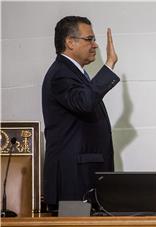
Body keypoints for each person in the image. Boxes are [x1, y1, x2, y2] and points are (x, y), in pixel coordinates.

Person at [42, 16, 120, 212]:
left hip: (85, 180)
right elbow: (85, 102)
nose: (95, 45)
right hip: (72, 183)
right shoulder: (61, 74)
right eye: (90, 39)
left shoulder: (76, 74)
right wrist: (109, 64)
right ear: (70, 42)